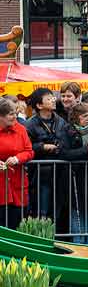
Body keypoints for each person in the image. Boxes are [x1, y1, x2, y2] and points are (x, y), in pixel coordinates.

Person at [24, 87, 69, 223]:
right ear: (39, 105)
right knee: (41, 212)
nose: (53, 100)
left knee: (57, 210)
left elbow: (67, 140)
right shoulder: (30, 124)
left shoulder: (61, 121)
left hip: (60, 172)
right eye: (49, 99)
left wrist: (61, 146)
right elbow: (26, 146)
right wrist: (42, 147)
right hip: (40, 174)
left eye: (53, 97)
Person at [63, 102, 88, 244]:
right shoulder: (68, 130)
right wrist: (85, 151)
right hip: (75, 176)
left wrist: (81, 154)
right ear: (76, 117)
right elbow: (65, 153)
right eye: (84, 116)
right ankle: (78, 243)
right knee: (76, 211)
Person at [0, 97, 33, 229]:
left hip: (17, 186)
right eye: (11, 114)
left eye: (16, 113)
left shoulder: (21, 129)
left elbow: (29, 151)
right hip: (1, 186)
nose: (15, 116)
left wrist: (17, 158)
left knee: (17, 224)